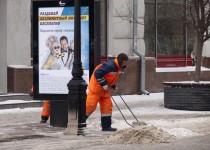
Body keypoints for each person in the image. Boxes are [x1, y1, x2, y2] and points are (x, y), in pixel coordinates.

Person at [86, 53, 129, 132]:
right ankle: (79, 122)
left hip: (105, 91)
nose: (125, 65)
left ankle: (106, 127)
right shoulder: (110, 66)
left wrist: (113, 86)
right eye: (124, 63)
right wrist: (104, 85)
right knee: (90, 106)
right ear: (120, 61)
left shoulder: (117, 67)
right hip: (96, 89)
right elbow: (97, 73)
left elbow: (109, 77)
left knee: (107, 107)